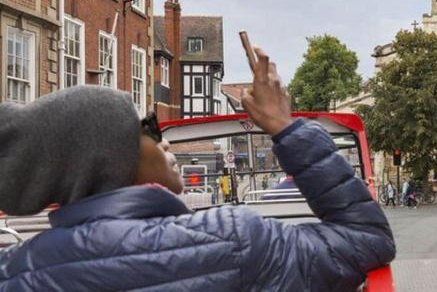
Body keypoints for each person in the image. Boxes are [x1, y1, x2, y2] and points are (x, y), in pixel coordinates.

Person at [0, 47, 396, 290]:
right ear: (110, 156)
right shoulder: (234, 240)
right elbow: (366, 237)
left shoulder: (19, 272)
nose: (165, 140)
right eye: (149, 128)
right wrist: (284, 125)